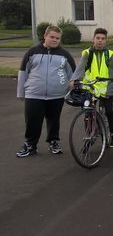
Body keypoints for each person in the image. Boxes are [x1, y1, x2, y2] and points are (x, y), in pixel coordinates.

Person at [16, 26, 76, 157]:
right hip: (34, 94)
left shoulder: (64, 55)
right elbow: (23, 72)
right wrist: (21, 92)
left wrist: (71, 87)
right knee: (32, 121)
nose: (55, 40)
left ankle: (53, 142)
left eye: (57, 38)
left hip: (57, 95)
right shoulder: (32, 52)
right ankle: (30, 145)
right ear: (45, 35)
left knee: (54, 120)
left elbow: (73, 74)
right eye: (52, 37)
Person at [69, 28, 113, 148]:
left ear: (106, 40)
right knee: (87, 112)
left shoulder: (109, 54)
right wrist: (74, 79)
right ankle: (89, 135)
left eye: (102, 39)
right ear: (93, 39)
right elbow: (81, 66)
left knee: (109, 111)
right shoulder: (87, 53)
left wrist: (111, 87)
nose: (100, 41)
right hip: (90, 87)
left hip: (106, 87)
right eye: (98, 38)